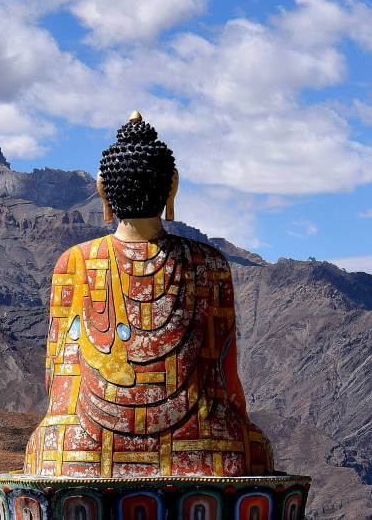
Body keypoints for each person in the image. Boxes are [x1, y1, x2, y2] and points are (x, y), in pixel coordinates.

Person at [23, 112, 273, 478]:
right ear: (173, 187)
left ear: (103, 189)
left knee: (48, 443)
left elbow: (57, 377)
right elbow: (224, 374)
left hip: (85, 447)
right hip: (203, 442)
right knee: (251, 447)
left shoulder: (74, 262)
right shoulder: (209, 263)